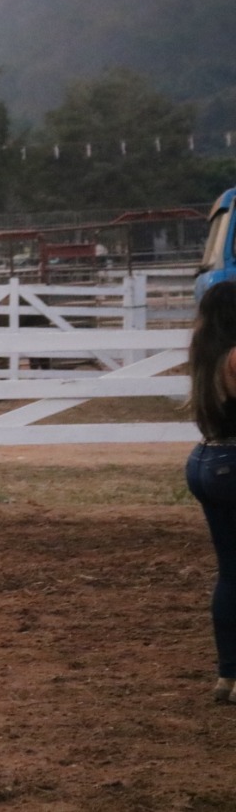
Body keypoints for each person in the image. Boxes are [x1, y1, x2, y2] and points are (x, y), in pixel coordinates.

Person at [184, 280, 236, 704]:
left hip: (207, 459)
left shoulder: (205, 355)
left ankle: (228, 675)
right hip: (233, 463)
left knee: (231, 572)